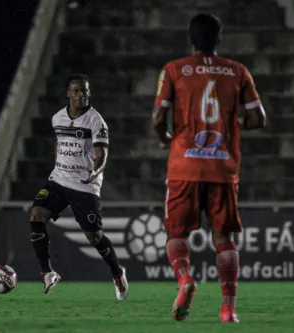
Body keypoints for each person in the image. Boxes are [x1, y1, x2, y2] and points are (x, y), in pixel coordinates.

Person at [151, 13, 266, 322]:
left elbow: (158, 119)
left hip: (184, 165)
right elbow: (259, 119)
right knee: (224, 237)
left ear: (190, 39)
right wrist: (234, 123)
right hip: (223, 168)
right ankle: (228, 308)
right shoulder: (237, 71)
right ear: (219, 39)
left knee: (177, 233)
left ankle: (186, 280)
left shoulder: (174, 70)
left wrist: (165, 140)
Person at [29, 73, 129, 300]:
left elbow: (101, 154)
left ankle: (117, 272)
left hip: (85, 186)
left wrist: (95, 171)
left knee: (94, 237)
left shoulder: (96, 121)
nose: (81, 95)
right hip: (59, 180)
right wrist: (58, 165)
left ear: (89, 93)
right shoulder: (57, 119)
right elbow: (59, 143)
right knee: (36, 213)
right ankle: (47, 272)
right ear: (68, 93)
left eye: (84, 90)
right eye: (76, 91)